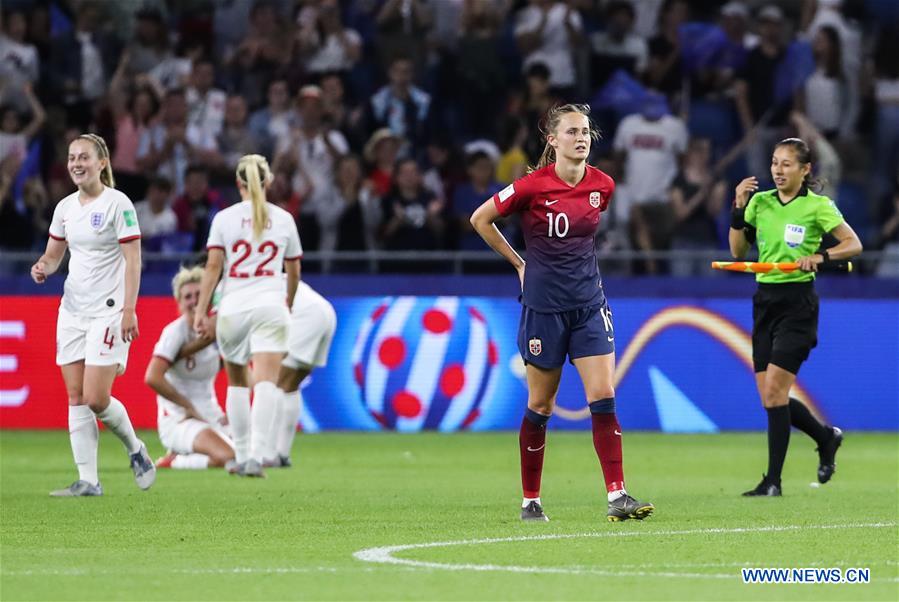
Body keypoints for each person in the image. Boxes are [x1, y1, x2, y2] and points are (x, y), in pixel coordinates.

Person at [469, 104, 654, 522]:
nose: (582, 138)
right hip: (544, 310)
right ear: (552, 140)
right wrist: (519, 264)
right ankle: (530, 500)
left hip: (589, 305)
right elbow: (481, 219)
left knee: (603, 396)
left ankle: (617, 494)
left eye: (585, 131)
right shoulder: (531, 186)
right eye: (571, 132)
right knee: (542, 405)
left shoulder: (602, 185)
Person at [729, 137, 862, 496]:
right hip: (764, 302)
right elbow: (738, 250)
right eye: (775, 162)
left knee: (774, 391)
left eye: (787, 164)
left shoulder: (818, 207)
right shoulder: (760, 202)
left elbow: (853, 244)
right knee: (771, 397)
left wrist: (821, 258)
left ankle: (773, 481)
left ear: (805, 170)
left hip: (798, 304)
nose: (778, 169)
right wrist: (738, 208)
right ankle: (825, 436)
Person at [30, 133, 156, 496]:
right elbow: (54, 256)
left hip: (109, 312)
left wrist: (130, 309)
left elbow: (133, 260)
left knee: (96, 398)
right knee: (75, 395)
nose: (76, 164)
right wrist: (42, 267)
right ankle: (89, 480)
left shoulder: (119, 204)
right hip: (72, 310)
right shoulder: (65, 208)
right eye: (72, 158)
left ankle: (136, 448)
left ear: (102, 163)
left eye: (84, 157)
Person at [194, 154, 301, 478]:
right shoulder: (283, 219)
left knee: (238, 383)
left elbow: (213, 267)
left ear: (238, 183)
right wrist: (289, 301)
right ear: (268, 182)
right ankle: (257, 455)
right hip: (270, 303)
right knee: (267, 382)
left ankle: (240, 455)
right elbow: (293, 269)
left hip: (234, 307)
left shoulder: (224, 219)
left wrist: (201, 310)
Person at [145, 266, 234, 470]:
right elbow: (152, 377)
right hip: (179, 419)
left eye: (199, 294)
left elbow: (235, 370)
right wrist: (187, 406)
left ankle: (183, 453)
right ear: (179, 302)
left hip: (211, 413)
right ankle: (175, 461)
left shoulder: (218, 330)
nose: (194, 301)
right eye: (187, 296)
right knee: (229, 456)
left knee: (254, 455)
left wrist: (233, 412)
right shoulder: (175, 332)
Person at [267, 279, 337, 468]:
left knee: (276, 382)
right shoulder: (265, 273)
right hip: (324, 311)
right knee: (290, 385)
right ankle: (282, 453)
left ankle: (268, 453)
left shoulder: (240, 283)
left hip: (305, 315)